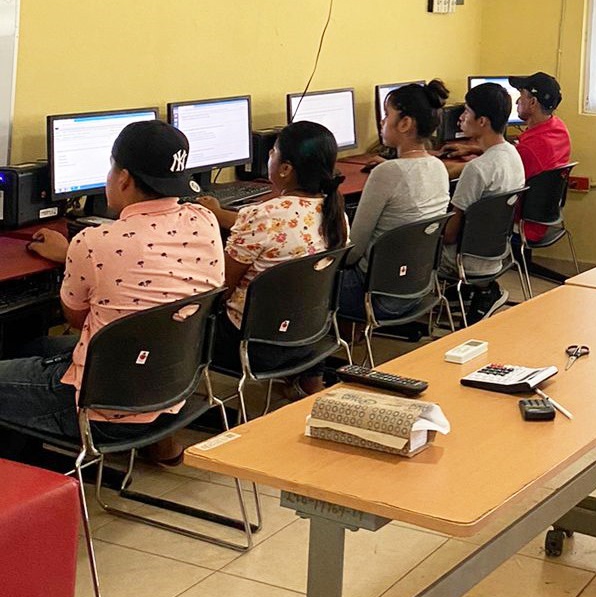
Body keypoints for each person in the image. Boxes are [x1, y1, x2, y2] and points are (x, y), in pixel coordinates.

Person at [0, 121, 223, 462]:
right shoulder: (204, 220)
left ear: (124, 179)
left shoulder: (94, 242)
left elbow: (76, 319)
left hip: (98, 412)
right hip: (173, 391)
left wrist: (75, 255)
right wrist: (74, 254)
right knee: (34, 347)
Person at [198, 121, 348, 385]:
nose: (269, 155)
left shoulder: (262, 215)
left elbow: (222, 289)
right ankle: (309, 384)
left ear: (285, 169)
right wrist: (220, 214)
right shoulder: (336, 215)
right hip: (310, 336)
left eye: (273, 151)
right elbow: (274, 227)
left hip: (252, 347)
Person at [340, 80, 451, 322]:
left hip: (374, 297)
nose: (381, 122)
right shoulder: (438, 167)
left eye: (386, 115)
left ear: (405, 123)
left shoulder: (387, 173)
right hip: (417, 289)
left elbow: (352, 253)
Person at [441, 81, 525, 321]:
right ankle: (482, 290)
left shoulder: (477, 169)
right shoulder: (512, 154)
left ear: (482, 121)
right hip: (496, 254)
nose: (460, 118)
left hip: (465, 260)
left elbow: (449, 235)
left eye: (466, 111)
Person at [508, 72, 571, 243]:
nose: (517, 101)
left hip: (524, 225)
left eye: (521, 95)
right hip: (544, 218)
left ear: (533, 102)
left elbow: (498, 170)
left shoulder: (529, 149)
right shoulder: (558, 127)